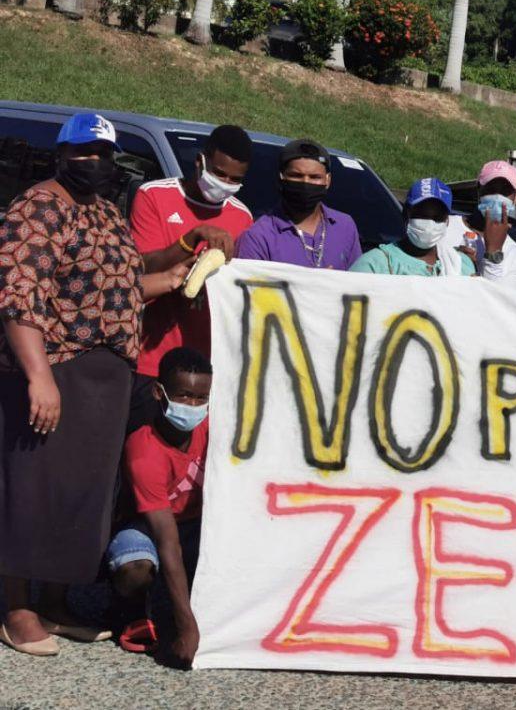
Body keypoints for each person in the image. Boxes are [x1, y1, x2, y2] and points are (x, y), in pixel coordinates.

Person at [0, 113, 189, 657]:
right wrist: (39, 377)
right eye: (85, 152)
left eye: (105, 153)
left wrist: (173, 278)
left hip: (107, 378)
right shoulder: (37, 207)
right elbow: (18, 295)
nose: (97, 162)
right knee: (31, 488)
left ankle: (56, 602)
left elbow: (125, 287)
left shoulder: (107, 211)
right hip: (57, 367)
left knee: (79, 496)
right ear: (63, 154)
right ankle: (16, 608)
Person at [129, 124, 253, 433]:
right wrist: (191, 239)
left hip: (204, 373)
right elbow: (139, 267)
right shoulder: (155, 196)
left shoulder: (243, 217)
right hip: (151, 361)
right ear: (200, 162)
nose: (225, 184)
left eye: (235, 179)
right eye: (219, 173)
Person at [106, 348, 211, 666]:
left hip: (196, 525)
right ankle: (131, 611)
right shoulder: (144, 451)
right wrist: (186, 629)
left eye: (200, 398)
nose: (192, 406)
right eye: (183, 396)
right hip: (148, 528)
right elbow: (167, 540)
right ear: (158, 392)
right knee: (135, 567)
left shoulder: (212, 430)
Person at [235, 139, 362, 271]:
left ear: (327, 180)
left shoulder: (345, 226)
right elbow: (252, 289)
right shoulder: (258, 237)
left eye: (315, 177)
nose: (305, 183)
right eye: (296, 175)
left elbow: (359, 284)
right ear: (281, 178)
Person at [351, 177, 476, 277]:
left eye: (437, 217)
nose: (429, 224)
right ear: (406, 214)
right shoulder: (374, 265)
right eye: (421, 215)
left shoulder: (461, 265)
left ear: (447, 221)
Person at [442, 160, 516, 289]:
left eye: (504, 192)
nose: (496, 196)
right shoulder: (445, 225)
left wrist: (493, 253)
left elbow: (495, 303)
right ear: (478, 191)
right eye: (491, 189)